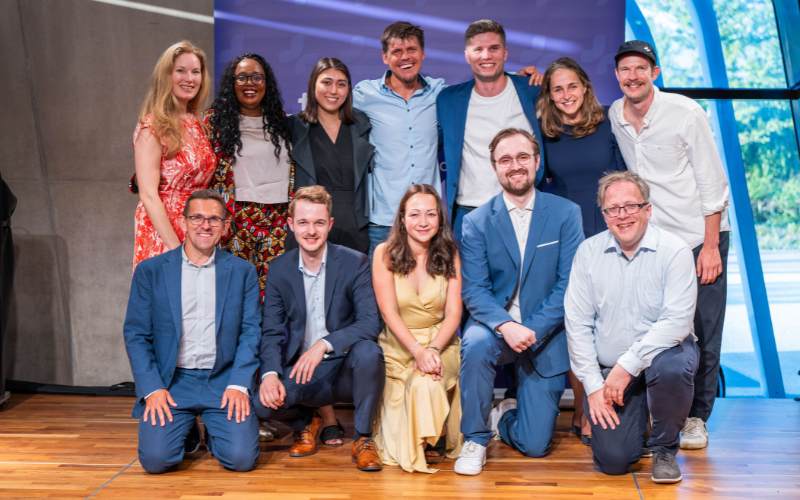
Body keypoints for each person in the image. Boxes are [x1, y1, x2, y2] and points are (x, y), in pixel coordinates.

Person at [609, 40, 730, 450]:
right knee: (656, 326)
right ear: (617, 76)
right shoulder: (615, 115)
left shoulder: (684, 112)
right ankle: (658, 413)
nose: (633, 76)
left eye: (640, 68)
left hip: (698, 237)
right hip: (652, 243)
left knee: (702, 330)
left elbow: (713, 182)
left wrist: (711, 245)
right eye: (625, 69)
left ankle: (697, 417)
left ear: (655, 73)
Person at [455, 128, 584, 475]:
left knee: (535, 445)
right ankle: (476, 438)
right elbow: (475, 291)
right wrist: (507, 325)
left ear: (537, 161)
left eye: (523, 157)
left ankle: (506, 416)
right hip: (495, 327)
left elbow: (568, 285)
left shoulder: (566, 213)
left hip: (546, 332)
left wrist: (532, 329)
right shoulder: (476, 222)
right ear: (495, 167)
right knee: (475, 342)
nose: (515, 165)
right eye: (506, 159)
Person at [564, 171, 700, 483]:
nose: (622, 215)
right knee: (614, 460)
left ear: (648, 210)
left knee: (672, 366)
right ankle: (638, 419)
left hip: (659, 360)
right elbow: (577, 324)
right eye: (613, 209)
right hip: (609, 374)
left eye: (631, 206)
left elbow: (676, 322)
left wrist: (628, 365)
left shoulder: (674, 251)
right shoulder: (588, 253)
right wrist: (594, 386)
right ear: (604, 214)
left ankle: (665, 447)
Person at [123, 189, 261, 473]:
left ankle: (213, 429)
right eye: (197, 217)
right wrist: (152, 388)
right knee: (156, 461)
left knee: (241, 459)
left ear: (224, 227)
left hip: (222, 380)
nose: (205, 225)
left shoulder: (242, 272)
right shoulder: (152, 271)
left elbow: (251, 331)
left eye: (214, 219)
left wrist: (238, 384)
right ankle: (186, 431)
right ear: (184, 222)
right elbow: (136, 334)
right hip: (172, 382)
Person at [255, 186, 384, 471]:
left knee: (369, 352)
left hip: (344, 364)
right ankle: (307, 420)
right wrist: (270, 375)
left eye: (318, 222)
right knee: (262, 404)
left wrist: (324, 344)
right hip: (305, 369)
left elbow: (369, 322)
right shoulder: (279, 269)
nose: (310, 230)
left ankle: (363, 438)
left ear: (330, 224)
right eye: (303, 222)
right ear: (290, 225)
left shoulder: (355, 262)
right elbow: (272, 331)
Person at [536, 56, 627, 444]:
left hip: (610, 229)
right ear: (550, 96)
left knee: (615, 319)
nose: (566, 94)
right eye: (557, 88)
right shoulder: (546, 131)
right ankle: (585, 410)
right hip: (568, 235)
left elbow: (625, 175)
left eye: (572, 86)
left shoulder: (608, 123)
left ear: (585, 87)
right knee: (577, 322)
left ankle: (618, 400)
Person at [372, 184, 463, 473]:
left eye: (430, 214)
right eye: (414, 214)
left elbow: (453, 314)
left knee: (426, 383)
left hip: (441, 342)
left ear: (439, 219)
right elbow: (388, 312)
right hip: (399, 346)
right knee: (393, 443)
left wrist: (432, 350)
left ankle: (432, 439)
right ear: (402, 218)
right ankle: (425, 437)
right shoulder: (383, 253)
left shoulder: (450, 253)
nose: (423, 222)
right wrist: (417, 351)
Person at [437, 19, 546, 239]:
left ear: (505, 53)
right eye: (478, 49)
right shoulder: (448, 100)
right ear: (467, 55)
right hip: (468, 214)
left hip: (525, 210)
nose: (486, 56)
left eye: (494, 48)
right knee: (469, 275)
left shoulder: (532, 90)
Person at [353, 21, 445, 252]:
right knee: (380, 289)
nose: (405, 57)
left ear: (423, 53)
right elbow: (327, 106)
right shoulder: (364, 94)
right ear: (385, 57)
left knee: (431, 288)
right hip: (384, 221)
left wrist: (520, 78)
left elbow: (480, 87)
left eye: (411, 50)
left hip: (429, 221)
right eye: (397, 51)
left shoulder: (440, 93)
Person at [207, 53, 293, 295]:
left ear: (267, 83)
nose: (250, 83)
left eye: (257, 77)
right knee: (235, 293)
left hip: (277, 222)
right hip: (235, 222)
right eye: (242, 77)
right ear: (231, 84)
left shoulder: (284, 125)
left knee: (273, 296)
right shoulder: (214, 123)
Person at [133, 41, 216, 268]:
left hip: (198, 227)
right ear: (166, 75)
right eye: (180, 71)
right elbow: (149, 194)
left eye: (195, 72)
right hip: (163, 230)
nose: (189, 78)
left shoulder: (198, 124)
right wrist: (175, 248)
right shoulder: (152, 125)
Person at [291, 57, 373, 254]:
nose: (334, 91)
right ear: (313, 85)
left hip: (355, 228)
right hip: (311, 227)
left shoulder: (362, 124)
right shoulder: (295, 127)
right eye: (326, 82)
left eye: (341, 84)